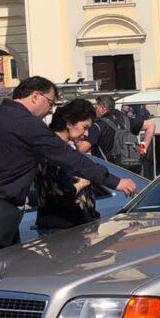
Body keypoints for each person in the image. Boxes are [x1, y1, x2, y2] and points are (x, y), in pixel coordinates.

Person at [0, 76, 138, 261]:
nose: (50, 110)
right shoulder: (28, 124)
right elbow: (70, 158)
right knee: (4, 278)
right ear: (35, 96)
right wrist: (115, 181)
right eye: (50, 103)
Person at [37, 99, 104, 231]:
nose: (86, 134)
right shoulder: (55, 153)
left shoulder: (57, 149)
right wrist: (83, 183)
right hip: (63, 229)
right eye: (84, 127)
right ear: (69, 123)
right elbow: (60, 194)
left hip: (69, 225)